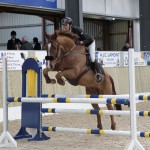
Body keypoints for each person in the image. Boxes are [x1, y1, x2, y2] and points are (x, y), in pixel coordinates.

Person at [61, 17, 104, 82]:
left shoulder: (77, 30)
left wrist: (80, 42)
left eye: (66, 25)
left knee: (92, 58)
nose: (64, 27)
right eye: (64, 25)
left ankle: (99, 74)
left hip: (89, 42)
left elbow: (87, 39)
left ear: (70, 25)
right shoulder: (65, 32)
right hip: (80, 45)